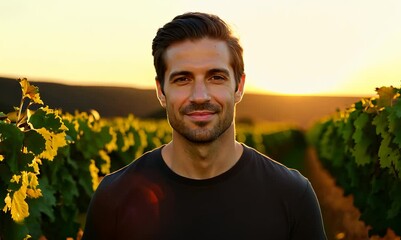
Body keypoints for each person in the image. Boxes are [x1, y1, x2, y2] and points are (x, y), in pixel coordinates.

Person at [82, 12, 327, 239]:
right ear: (161, 91)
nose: (200, 96)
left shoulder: (293, 195)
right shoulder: (113, 197)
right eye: (182, 79)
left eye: (216, 77)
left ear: (239, 86)